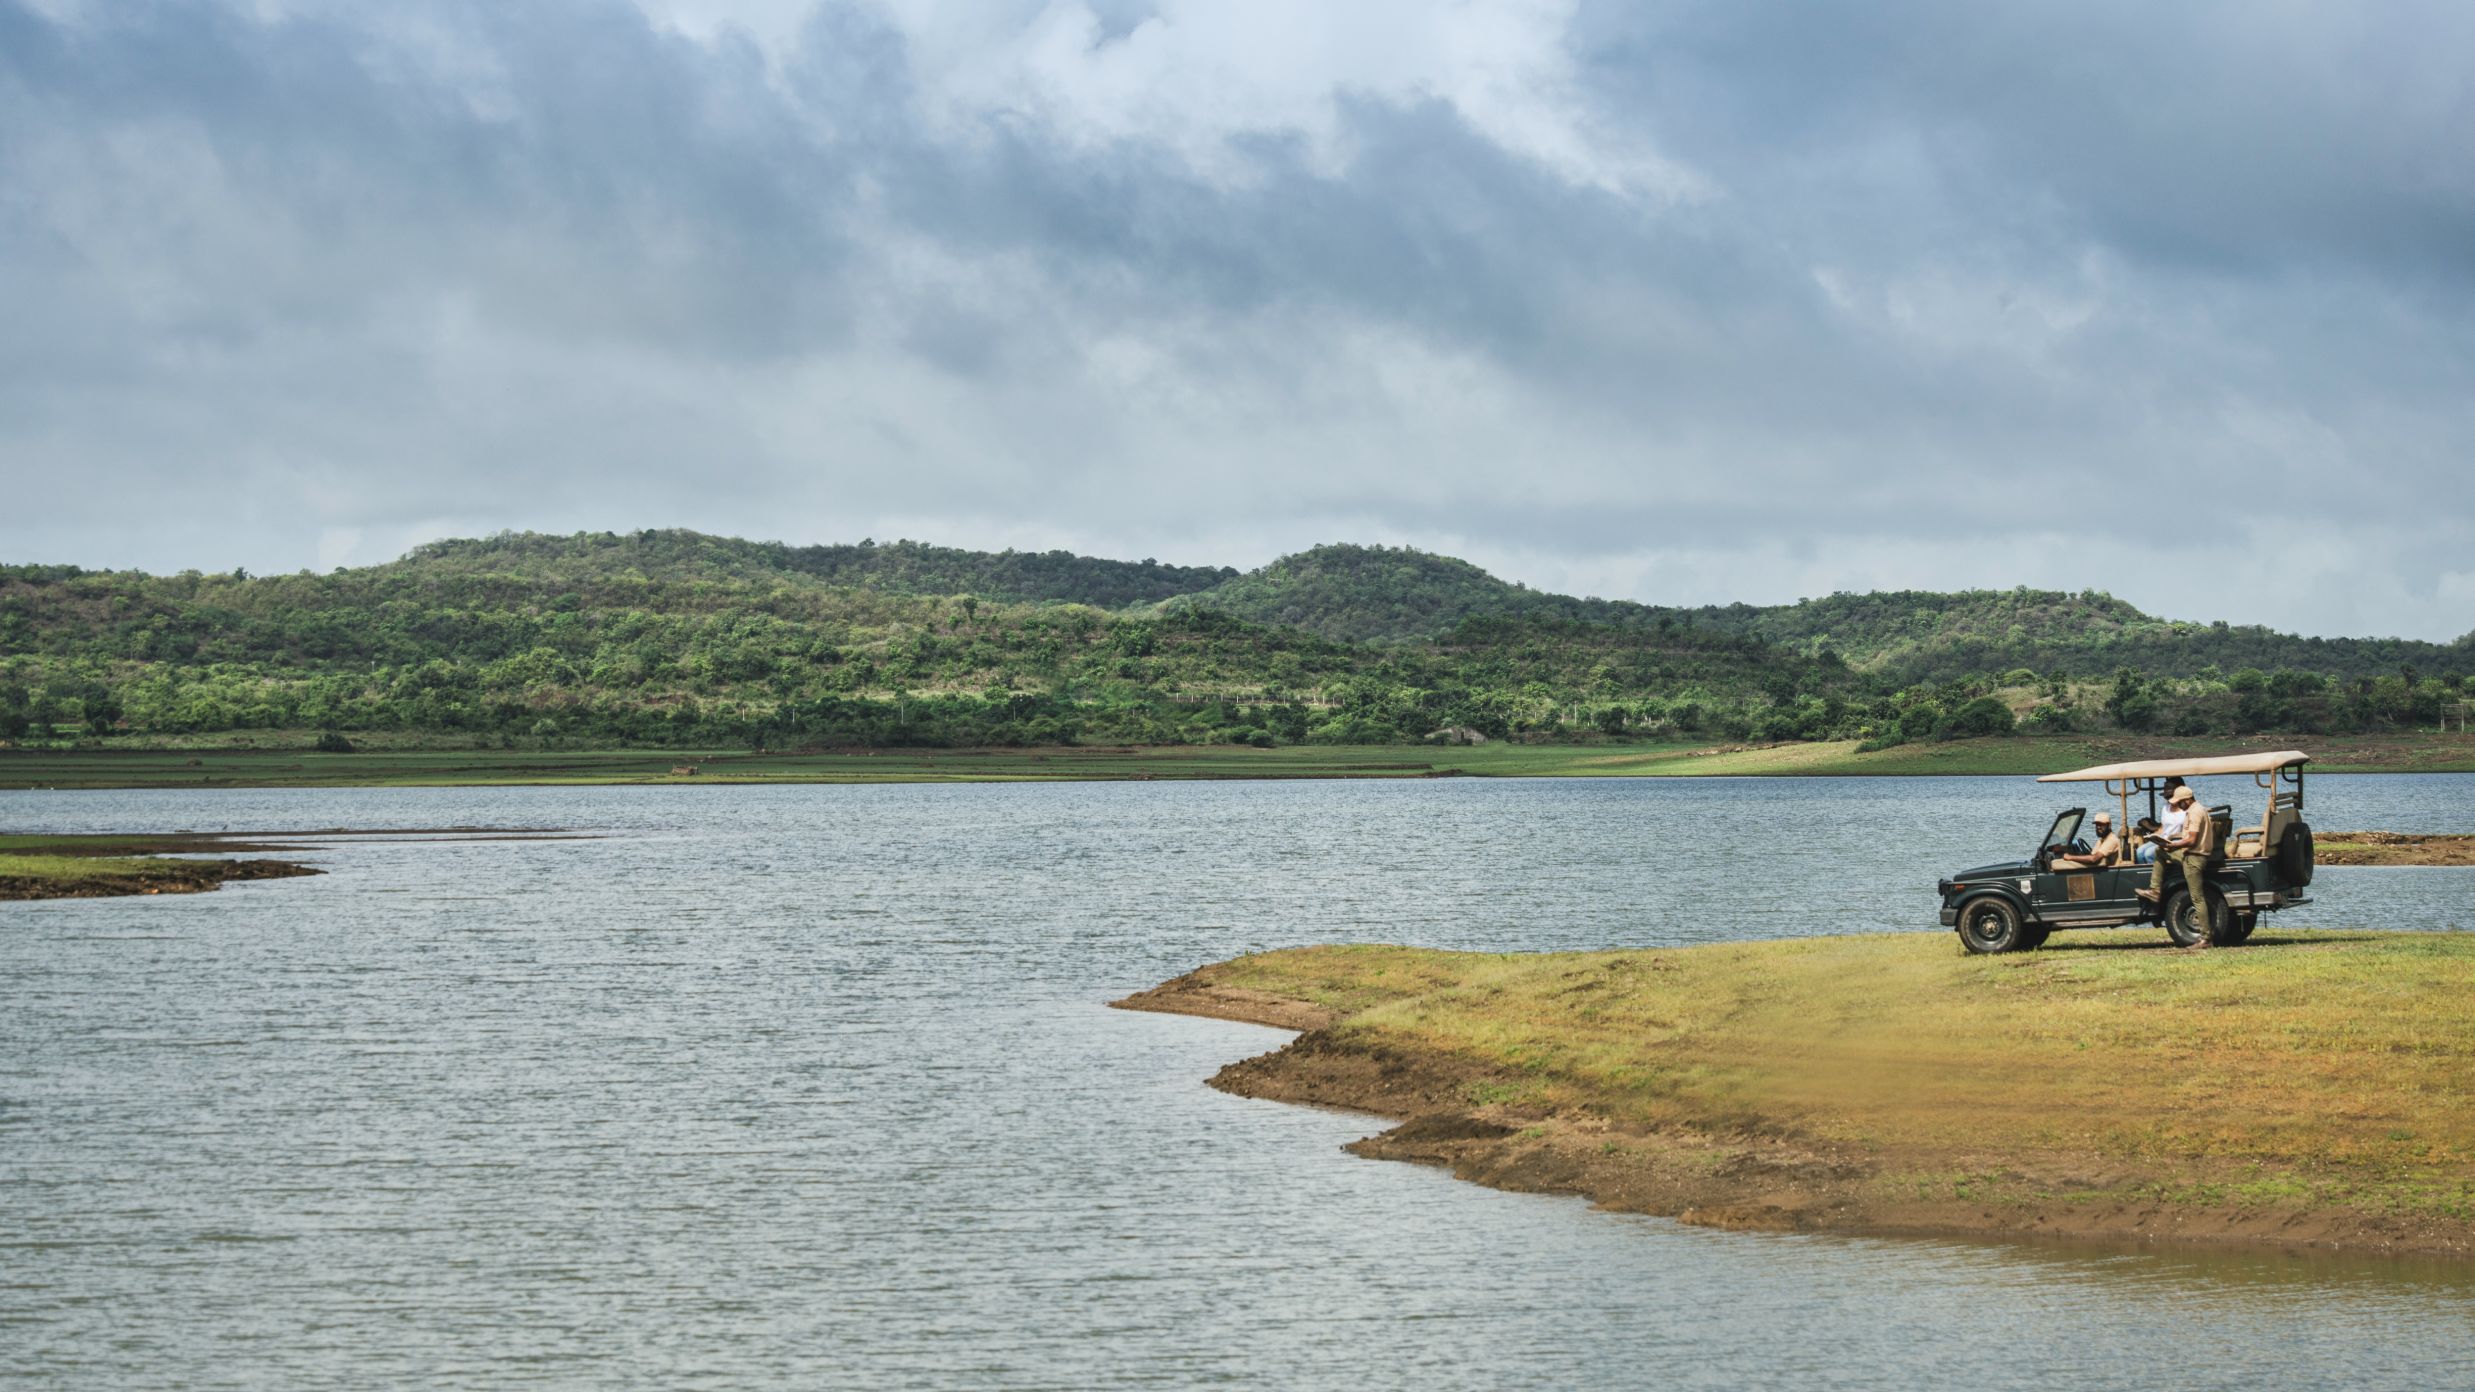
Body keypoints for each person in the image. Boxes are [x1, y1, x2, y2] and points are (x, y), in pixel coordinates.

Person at [2139, 785, 2224, 947]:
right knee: (2160, 851)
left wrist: (2174, 846)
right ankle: (2155, 890)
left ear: (2187, 800)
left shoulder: (2195, 812)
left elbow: (2191, 840)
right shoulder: (2196, 809)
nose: (2178, 805)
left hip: (2194, 858)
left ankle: (2206, 938)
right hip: (2190, 854)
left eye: (2180, 802)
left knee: (2197, 898)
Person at [2053, 811, 2121, 868]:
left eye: (2101, 824)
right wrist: (2064, 849)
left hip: (2105, 871)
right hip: (2097, 868)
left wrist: (2070, 857)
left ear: (2109, 826)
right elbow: (2092, 855)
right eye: (2097, 824)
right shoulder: (2101, 840)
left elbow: (2093, 859)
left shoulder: (2112, 840)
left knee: (2056, 864)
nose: (2098, 827)